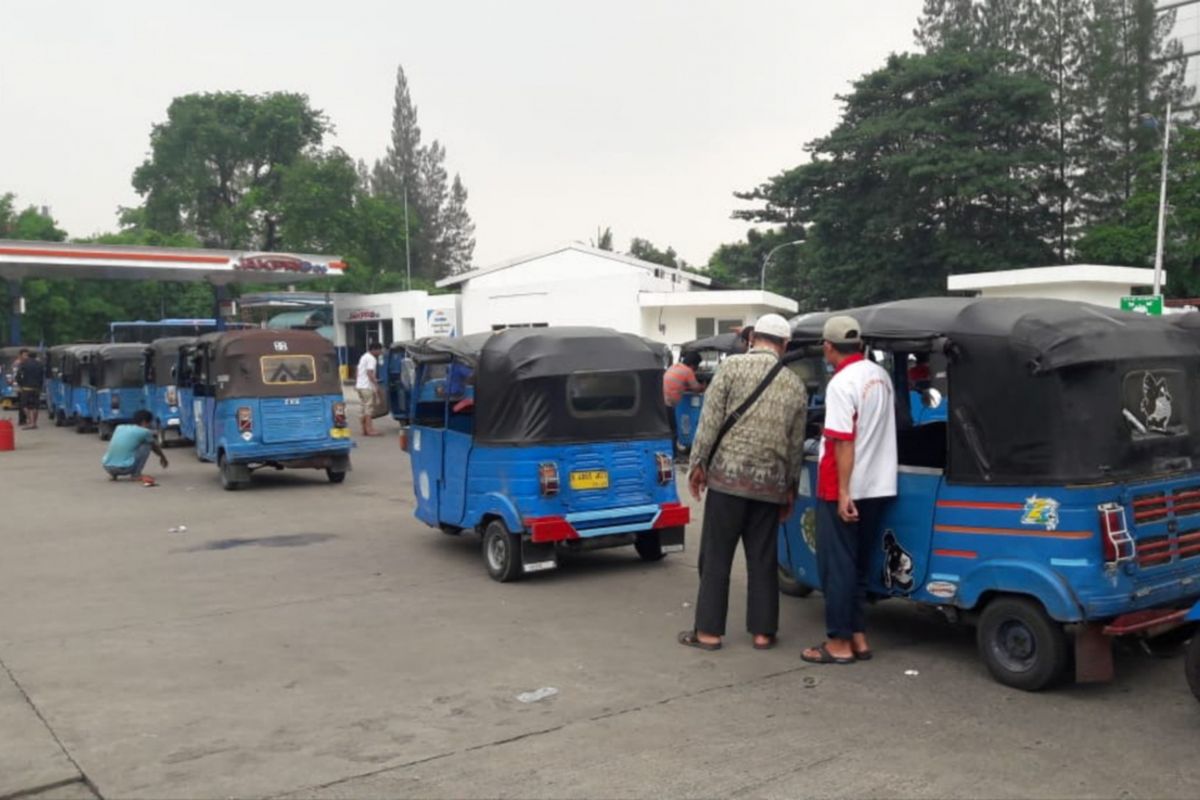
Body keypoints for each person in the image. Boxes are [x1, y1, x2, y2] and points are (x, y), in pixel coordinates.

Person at [678, 314, 807, 652]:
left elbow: (709, 422)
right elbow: (795, 445)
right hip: (770, 486)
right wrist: (789, 489)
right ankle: (763, 633)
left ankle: (708, 632)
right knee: (763, 558)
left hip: (727, 480)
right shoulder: (794, 384)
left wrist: (697, 466)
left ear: (752, 337)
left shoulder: (731, 368)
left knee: (717, 556)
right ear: (785, 345)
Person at [802, 316, 898, 666]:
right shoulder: (881, 376)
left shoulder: (842, 383)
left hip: (845, 488)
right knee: (857, 565)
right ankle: (858, 636)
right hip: (879, 485)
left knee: (836, 566)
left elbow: (842, 442)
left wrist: (843, 493)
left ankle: (839, 643)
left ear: (828, 347)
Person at [102, 409, 169, 486]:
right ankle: (136, 474)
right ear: (144, 422)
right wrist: (163, 458)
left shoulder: (119, 427)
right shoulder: (145, 431)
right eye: (149, 423)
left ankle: (113, 475)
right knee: (147, 444)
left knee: (125, 446)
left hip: (107, 467)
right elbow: (155, 447)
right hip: (125, 468)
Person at [663, 351, 705, 440]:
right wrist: (704, 386)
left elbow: (679, 383)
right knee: (673, 430)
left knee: (669, 428)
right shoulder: (687, 371)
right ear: (694, 364)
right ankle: (674, 450)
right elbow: (696, 388)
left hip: (663, 402)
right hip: (669, 405)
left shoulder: (674, 366)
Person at [356, 341, 384, 437]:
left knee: (363, 408)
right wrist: (376, 385)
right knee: (369, 409)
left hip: (360, 386)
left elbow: (358, 370)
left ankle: (364, 429)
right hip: (367, 387)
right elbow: (369, 373)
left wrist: (357, 383)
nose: (380, 352)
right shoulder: (372, 359)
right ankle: (370, 429)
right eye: (380, 350)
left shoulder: (364, 356)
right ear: (375, 350)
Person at [15, 349, 44, 429]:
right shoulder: (40, 364)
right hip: (36, 388)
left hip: (26, 388)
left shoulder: (24, 364)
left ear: (28, 356)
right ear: (36, 356)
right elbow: (42, 377)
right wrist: (40, 387)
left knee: (24, 405)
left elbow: (18, 376)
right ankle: (34, 423)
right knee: (35, 406)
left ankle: (30, 421)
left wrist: (21, 384)